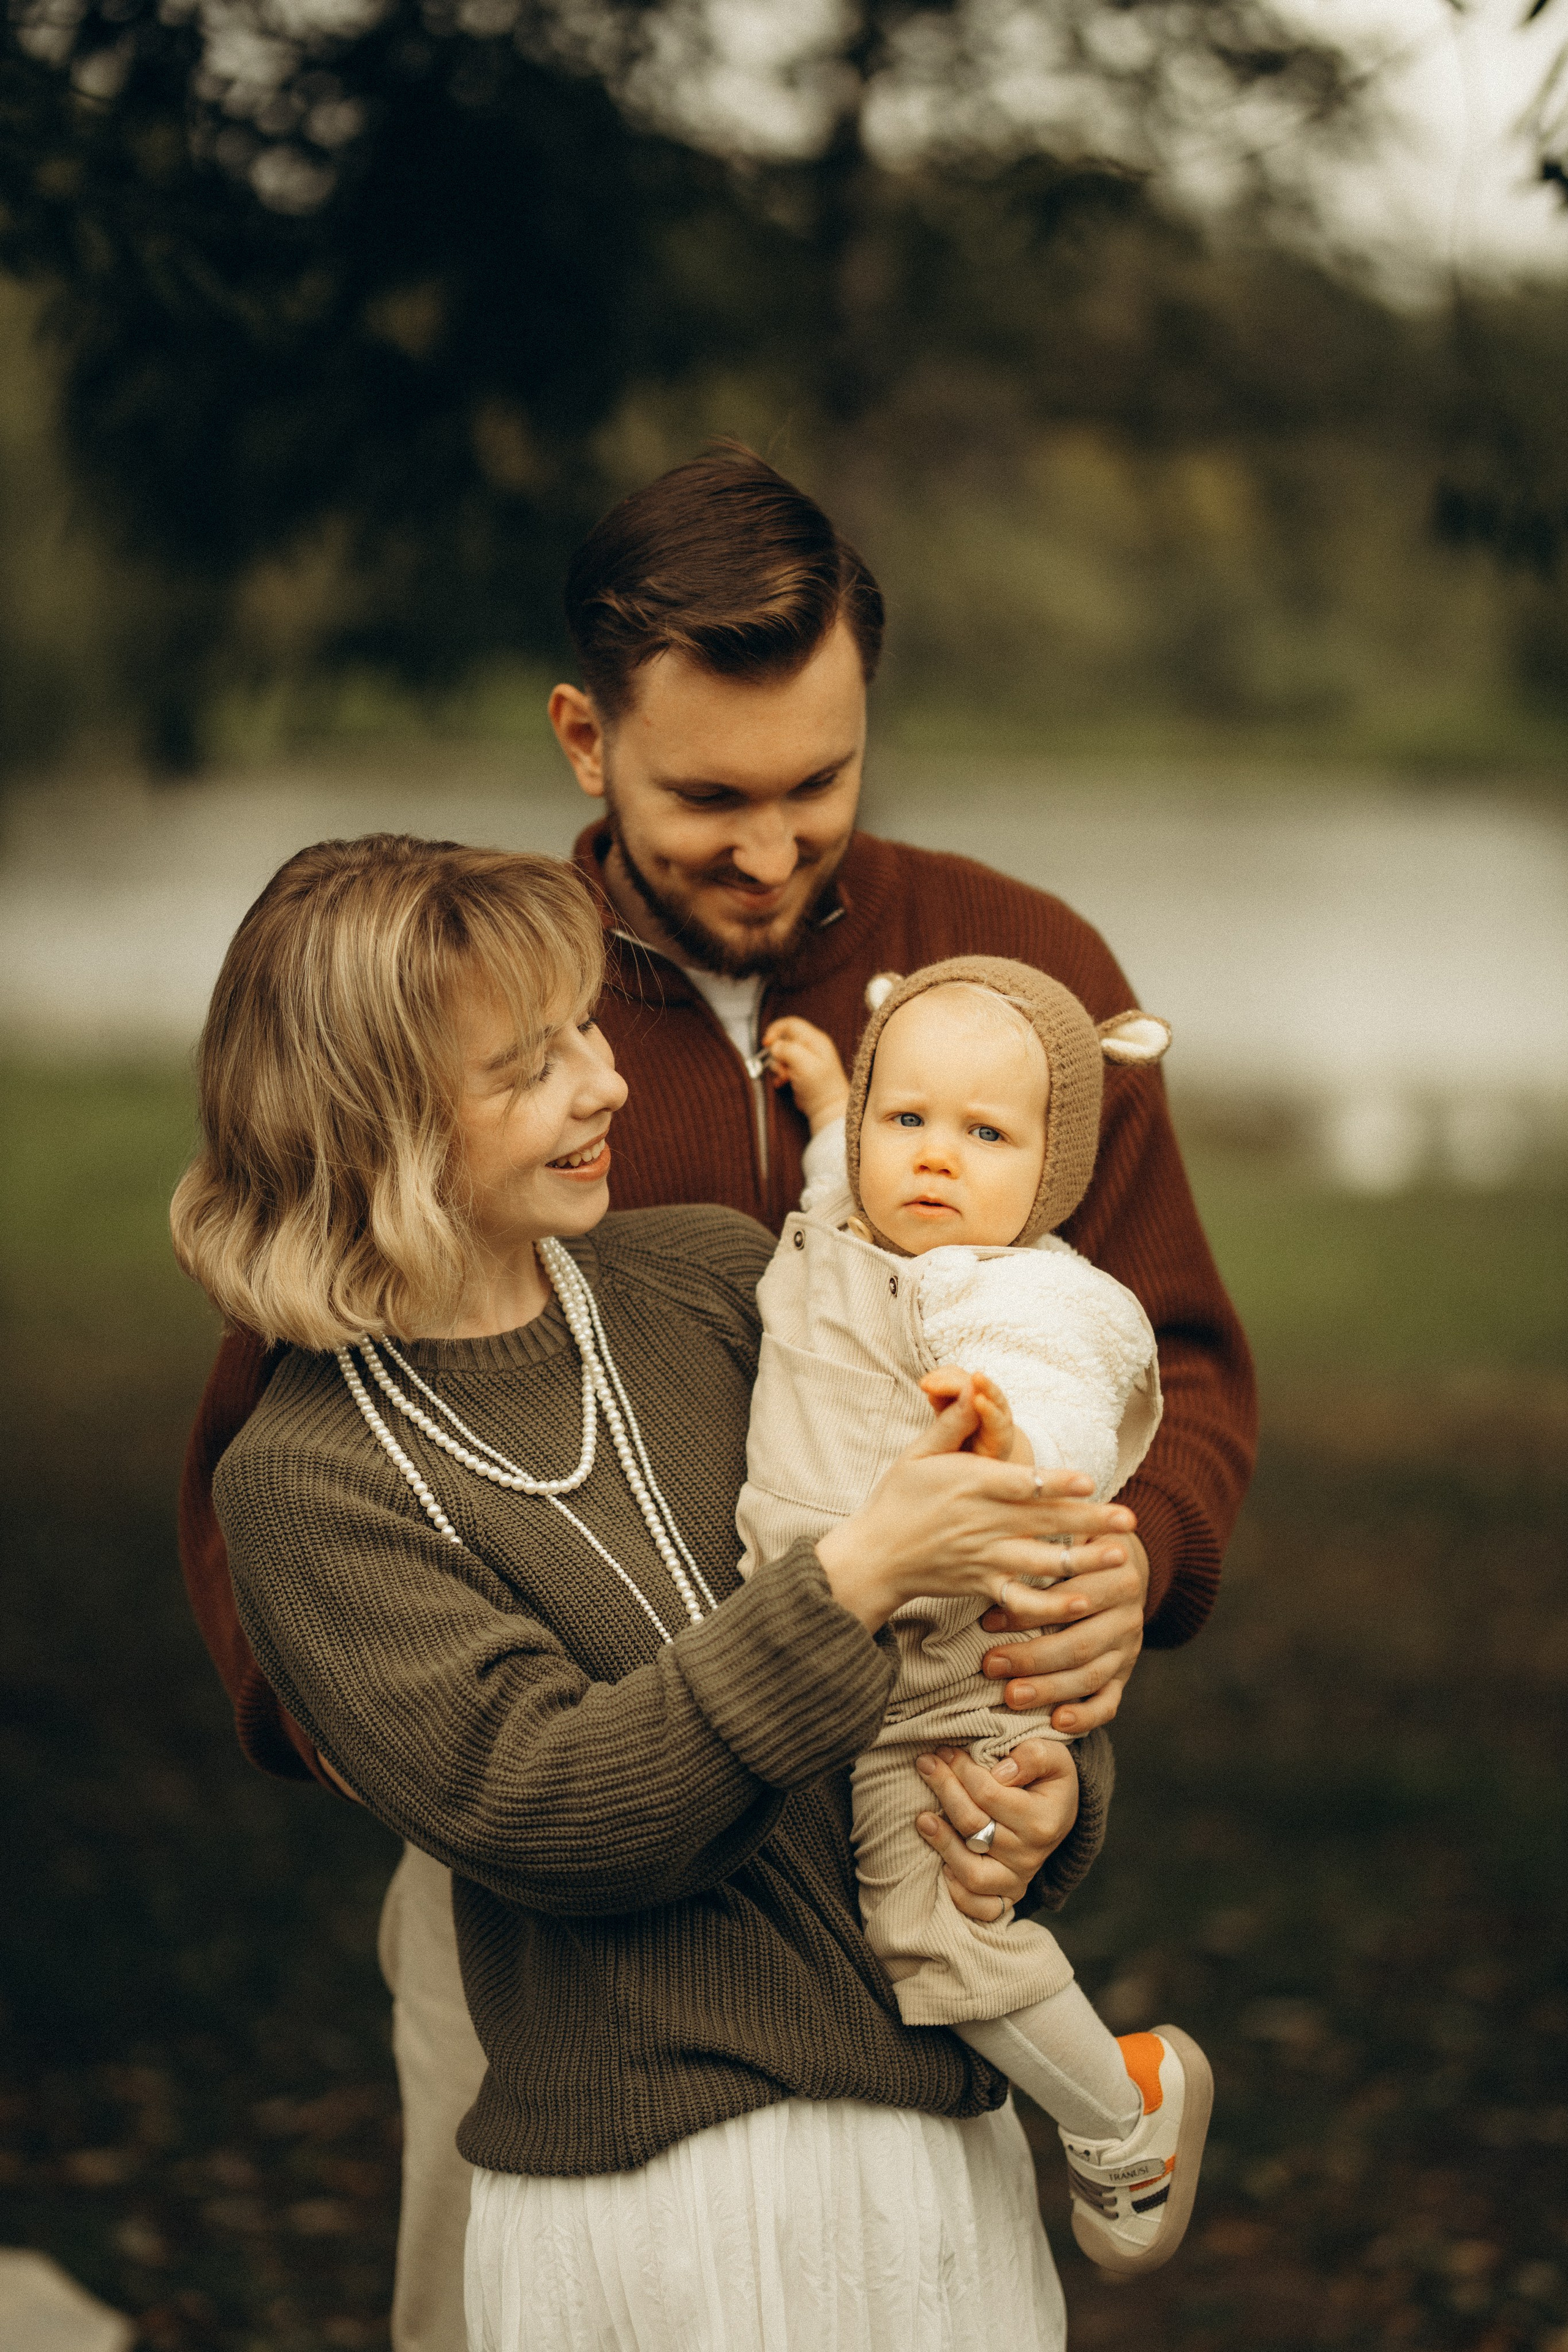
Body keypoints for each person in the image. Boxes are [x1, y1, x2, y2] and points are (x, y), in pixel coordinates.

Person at [175, 445, 1256, 2344]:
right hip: (553, 1917)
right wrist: (404, 1742)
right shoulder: (460, 1010)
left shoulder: (1019, 988)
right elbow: (296, 1432)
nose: (771, 847)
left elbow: (1153, 1349)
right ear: (587, 736)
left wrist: (1111, 1587)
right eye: (710, 798)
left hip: (895, 1798)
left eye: (819, 785)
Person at [171, 835, 1132, 2352]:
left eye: (582, 1029)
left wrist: (1045, 1789)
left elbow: (955, 1632)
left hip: (933, 2162)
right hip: (638, 2218)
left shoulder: (710, 1280)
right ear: (377, 1131)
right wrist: (851, 1579)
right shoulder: (306, 1484)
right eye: (526, 1066)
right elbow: (548, 1809)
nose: (606, 1083)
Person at [744, 957, 1211, 2276]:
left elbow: (1066, 1385)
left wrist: (1005, 1436)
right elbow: (845, 1163)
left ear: (1053, 1166)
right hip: (825, 1641)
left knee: (932, 1933)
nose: (934, 1162)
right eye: (909, 1120)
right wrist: (840, 1094)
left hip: (939, 1684)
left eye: (985, 1135)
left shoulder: (1010, 1289)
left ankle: (1124, 2114)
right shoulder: (853, 1217)